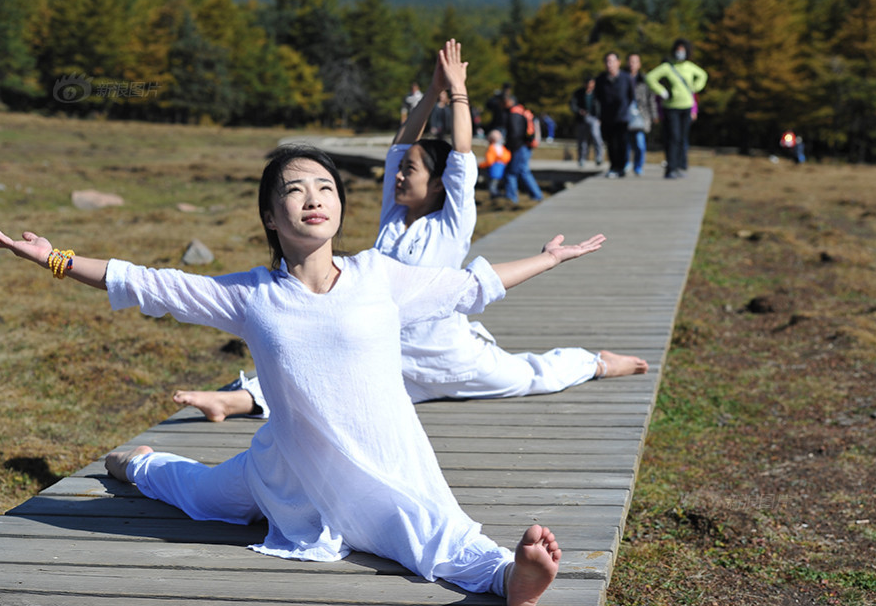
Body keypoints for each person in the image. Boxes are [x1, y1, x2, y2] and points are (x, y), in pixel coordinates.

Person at [0, 40, 593, 605]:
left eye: (325, 187)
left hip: (369, 459)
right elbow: (152, 283)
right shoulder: (251, 295)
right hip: (280, 469)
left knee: (420, 518)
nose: (314, 197)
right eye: (295, 189)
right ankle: (137, 463)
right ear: (272, 217)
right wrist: (57, 259)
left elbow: (470, 285)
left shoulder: (377, 276)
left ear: (338, 206)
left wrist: (549, 257)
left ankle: (505, 576)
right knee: (198, 496)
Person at [174, 42, 648, 424]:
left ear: (439, 183)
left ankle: (596, 362)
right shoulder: (393, 218)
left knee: (529, 374)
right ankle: (233, 401)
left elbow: (462, 152)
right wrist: (433, 92)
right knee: (323, 386)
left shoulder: (452, 221)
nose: (400, 177)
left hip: (452, 358)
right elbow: (402, 146)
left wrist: (459, 92)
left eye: (413, 173)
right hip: (392, 357)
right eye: (400, 174)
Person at [645, 38, 708, 179]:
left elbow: (703, 76)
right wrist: (661, 91)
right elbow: (650, 77)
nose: (680, 53)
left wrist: (695, 88)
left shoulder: (690, 66)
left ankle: (679, 166)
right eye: (678, 51)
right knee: (673, 137)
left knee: (681, 138)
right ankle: (670, 168)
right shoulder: (668, 67)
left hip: (686, 107)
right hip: (671, 108)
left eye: (683, 51)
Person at [594, 52, 635, 179]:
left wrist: (625, 108)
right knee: (610, 143)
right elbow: (597, 98)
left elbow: (631, 96)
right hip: (607, 117)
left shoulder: (626, 78)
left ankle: (621, 167)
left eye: (611, 61)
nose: (609, 64)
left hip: (622, 116)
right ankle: (613, 166)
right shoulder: (601, 79)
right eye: (607, 61)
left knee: (622, 143)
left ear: (618, 62)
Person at [502, 94, 544, 204]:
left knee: (511, 173)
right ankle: (537, 195)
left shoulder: (514, 114)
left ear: (510, 101)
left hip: (519, 147)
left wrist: (510, 146)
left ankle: (512, 198)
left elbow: (515, 133)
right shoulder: (522, 111)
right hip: (526, 145)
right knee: (523, 171)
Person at [624, 53, 658, 177]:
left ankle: (638, 166)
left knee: (640, 143)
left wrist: (654, 114)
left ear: (639, 64)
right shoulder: (622, 77)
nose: (632, 64)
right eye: (630, 61)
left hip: (641, 115)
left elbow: (651, 99)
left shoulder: (645, 79)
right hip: (625, 114)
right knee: (625, 142)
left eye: (635, 62)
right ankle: (625, 164)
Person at [569, 77, 604, 167]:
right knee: (582, 140)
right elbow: (573, 104)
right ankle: (582, 158)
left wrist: (600, 118)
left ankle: (599, 156)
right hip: (582, 119)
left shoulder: (597, 93)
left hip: (594, 118)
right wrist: (579, 111)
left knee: (596, 137)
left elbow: (602, 106)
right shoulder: (578, 93)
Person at [479, 128, 511, 199]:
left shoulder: (492, 148)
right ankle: (498, 195)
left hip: (493, 170)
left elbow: (489, 161)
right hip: (502, 170)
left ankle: (494, 196)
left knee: (492, 185)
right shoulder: (502, 148)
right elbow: (507, 157)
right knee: (498, 184)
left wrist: (481, 165)